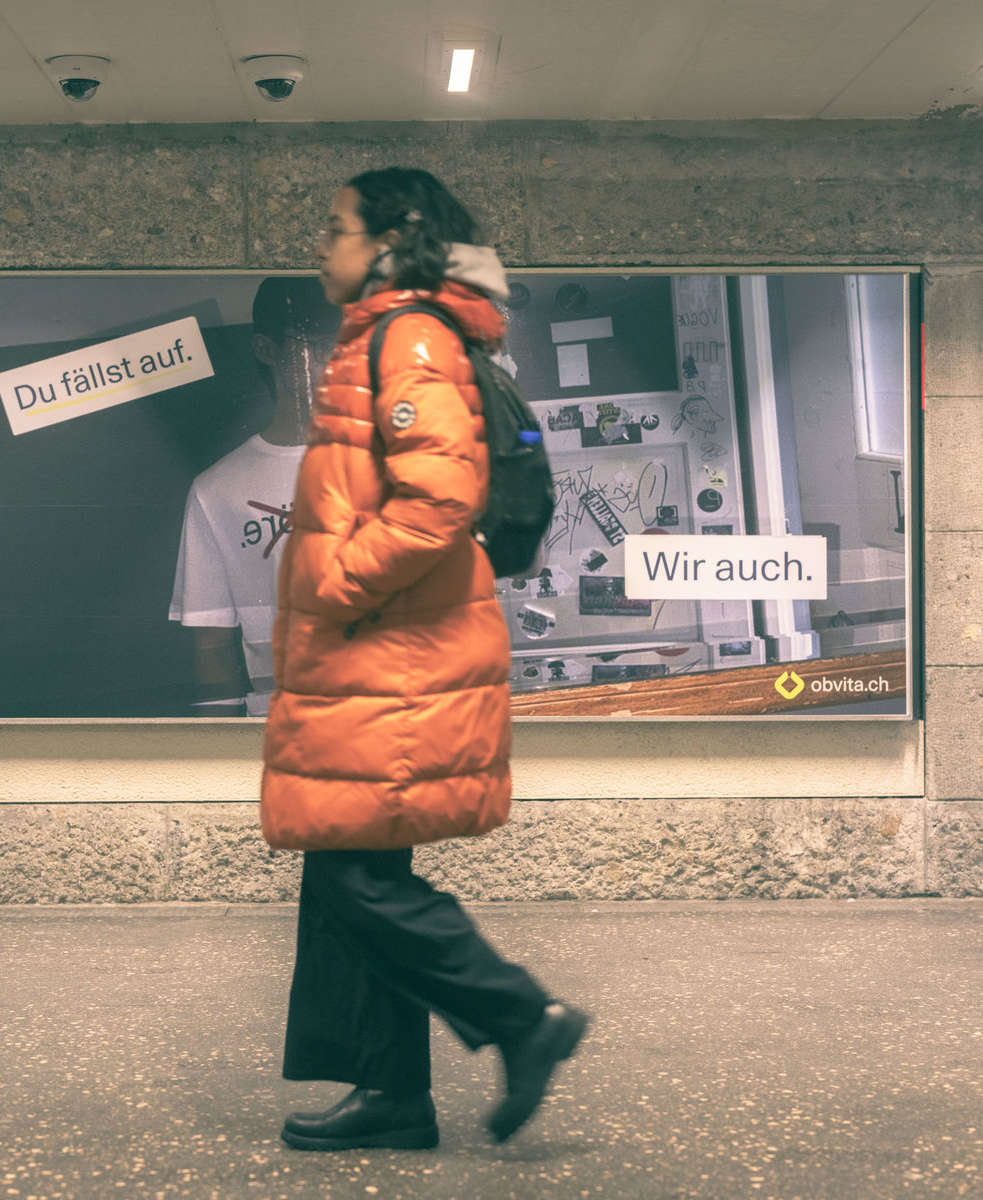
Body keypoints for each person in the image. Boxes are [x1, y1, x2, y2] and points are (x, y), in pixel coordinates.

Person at [260, 166, 590, 1151]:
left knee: (356, 878)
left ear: (390, 243)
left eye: (335, 227)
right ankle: (394, 1094)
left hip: (391, 657)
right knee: (346, 868)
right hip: (377, 657)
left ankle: (521, 1017)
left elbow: (440, 496)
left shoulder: (406, 337)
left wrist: (338, 580)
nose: (321, 245)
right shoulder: (392, 336)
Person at [168, 277, 339, 715]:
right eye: (320, 345)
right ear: (267, 350)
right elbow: (212, 644)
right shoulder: (218, 490)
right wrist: (218, 751)